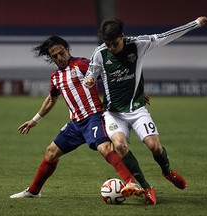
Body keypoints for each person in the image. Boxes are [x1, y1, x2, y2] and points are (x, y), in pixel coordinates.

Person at [84, 16, 207, 205]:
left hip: (137, 109)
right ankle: (146, 186)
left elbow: (166, 36)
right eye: (107, 44)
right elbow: (90, 75)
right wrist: (89, 81)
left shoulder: (139, 44)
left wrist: (196, 23)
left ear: (123, 37)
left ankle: (167, 172)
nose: (111, 47)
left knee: (155, 147)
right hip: (113, 112)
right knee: (119, 145)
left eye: (114, 43)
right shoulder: (100, 53)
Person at [9, 35, 144, 199]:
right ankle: (33, 192)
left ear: (68, 50)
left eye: (62, 52)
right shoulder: (55, 77)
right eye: (55, 56)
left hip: (94, 117)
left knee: (105, 148)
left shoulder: (82, 64)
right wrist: (34, 120)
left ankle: (130, 182)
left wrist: (135, 92)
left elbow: (113, 75)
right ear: (51, 58)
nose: (60, 57)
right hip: (76, 124)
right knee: (51, 152)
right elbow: (52, 98)